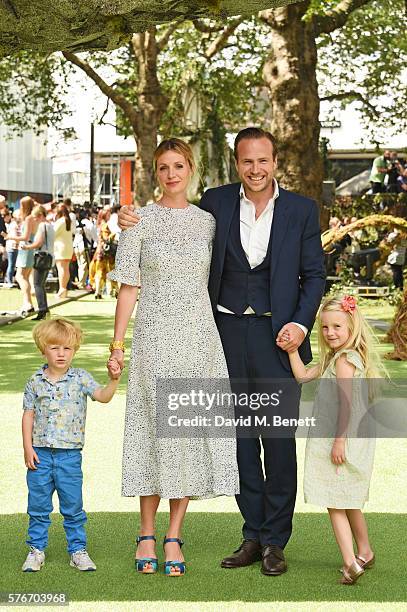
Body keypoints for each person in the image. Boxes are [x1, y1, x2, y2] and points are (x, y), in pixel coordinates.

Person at [118, 127, 326, 576]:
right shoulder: (216, 202)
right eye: (247, 161)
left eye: (263, 161)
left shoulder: (302, 210)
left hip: (278, 338)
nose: (255, 169)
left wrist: (298, 323)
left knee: (276, 439)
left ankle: (275, 541)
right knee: (238, 442)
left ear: (275, 162)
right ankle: (251, 534)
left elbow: (315, 276)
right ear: (237, 163)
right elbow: (168, 221)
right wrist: (128, 219)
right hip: (221, 333)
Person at [108, 138, 239, 577]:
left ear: (191, 169)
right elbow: (129, 286)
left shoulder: (209, 223)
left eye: (178, 166)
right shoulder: (138, 221)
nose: (171, 174)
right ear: (154, 172)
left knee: (186, 435)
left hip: (200, 342)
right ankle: (146, 531)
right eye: (163, 167)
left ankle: (173, 534)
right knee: (152, 433)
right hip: (154, 340)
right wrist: (117, 345)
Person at [284, 294, 385, 585]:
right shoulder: (335, 358)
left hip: (341, 438)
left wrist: (339, 441)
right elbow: (303, 375)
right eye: (325, 328)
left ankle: (350, 562)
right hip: (348, 437)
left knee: (334, 501)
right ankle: (365, 550)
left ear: (352, 325)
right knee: (348, 498)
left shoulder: (344, 361)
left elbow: (346, 406)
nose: (330, 333)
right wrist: (292, 350)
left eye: (337, 327)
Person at [21, 318, 121, 572]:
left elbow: (103, 397)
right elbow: (28, 414)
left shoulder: (81, 378)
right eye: (54, 348)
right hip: (40, 455)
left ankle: (77, 550)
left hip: (69, 457)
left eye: (67, 348)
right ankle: (36, 550)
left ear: (74, 349)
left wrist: (113, 380)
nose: (61, 353)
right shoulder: (34, 381)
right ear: (43, 348)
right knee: (38, 506)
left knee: (73, 506)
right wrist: (27, 447)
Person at [2, 196, 39, 315]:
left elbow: (25, 237)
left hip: (25, 248)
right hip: (29, 247)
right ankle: (27, 303)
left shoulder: (28, 219)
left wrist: (9, 237)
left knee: (20, 276)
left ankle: (28, 302)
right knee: (25, 276)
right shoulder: (34, 218)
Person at [21, 205, 55, 320]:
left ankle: (42, 310)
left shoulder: (42, 225)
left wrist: (27, 247)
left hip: (41, 257)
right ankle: (44, 309)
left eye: (35, 217)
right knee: (41, 285)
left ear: (40, 216)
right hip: (49, 256)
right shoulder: (50, 225)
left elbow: (39, 243)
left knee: (37, 285)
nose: (34, 220)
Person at [89, 209, 118, 299]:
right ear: (105, 215)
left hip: (99, 250)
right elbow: (106, 238)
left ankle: (98, 291)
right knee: (111, 270)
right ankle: (116, 290)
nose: (110, 215)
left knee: (99, 271)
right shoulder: (105, 225)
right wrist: (113, 235)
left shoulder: (99, 224)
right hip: (106, 251)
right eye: (108, 214)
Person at [53, 204, 74, 299]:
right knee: (66, 268)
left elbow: (53, 233)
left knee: (61, 268)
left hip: (60, 247)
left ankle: (62, 289)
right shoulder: (69, 221)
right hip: (68, 246)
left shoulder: (60, 221)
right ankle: (64, 288)